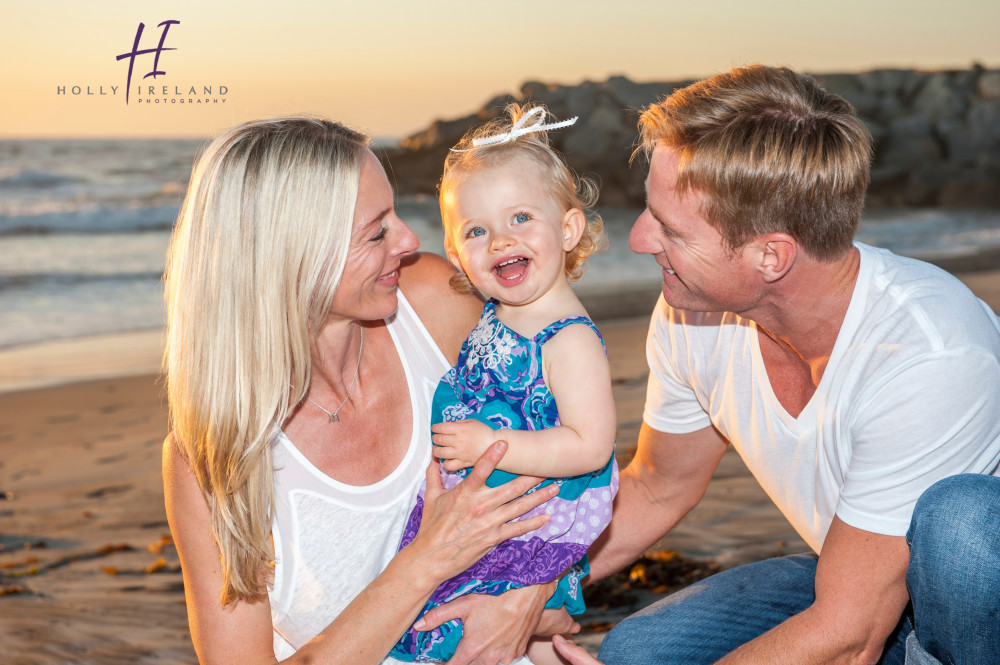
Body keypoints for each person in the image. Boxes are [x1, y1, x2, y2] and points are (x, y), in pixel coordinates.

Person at [554, 65, 1000, 665]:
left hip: (967, 603)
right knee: (639, 651)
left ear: (772, 255)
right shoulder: (694, 312)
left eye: (670, 229)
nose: (638, 239)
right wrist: (524, 593)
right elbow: (659, 486)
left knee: (960, 526)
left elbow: (849, 638)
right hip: (863, 576)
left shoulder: (931, 353)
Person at [161, 116, 580, 665]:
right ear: (293, 257)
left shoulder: (435, 305)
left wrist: (534, 595)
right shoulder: (212, 460)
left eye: (395, 215)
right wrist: (427, 560)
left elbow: (568, 469)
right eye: (377, 231)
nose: (409, 240)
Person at [390, 105, 619, 665]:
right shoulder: (497, 314)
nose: (499, 239)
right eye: (476, 230)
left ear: (568, 229)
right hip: (494, 496)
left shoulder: (569, 340)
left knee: (467, 625)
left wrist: (487, 448)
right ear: (457, 258)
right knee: (505, 633)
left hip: (538, 508)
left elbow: (590, 445)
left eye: (521, 218)